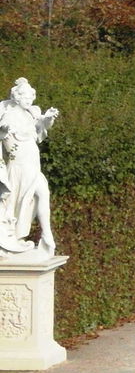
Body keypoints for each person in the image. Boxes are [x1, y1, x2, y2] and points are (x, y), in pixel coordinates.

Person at [0, 77, 59, 257]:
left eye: (31, 97)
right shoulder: (7, 113)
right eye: (26, 97)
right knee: (17, 202)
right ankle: (17, 236)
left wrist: (48, 119)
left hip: (32, 163)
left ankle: (47, 235)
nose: (30, 100)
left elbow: (41, 130)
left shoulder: (32, 113)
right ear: (17, 97)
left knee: (43, 193)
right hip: (19, 167)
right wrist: (3, 129)